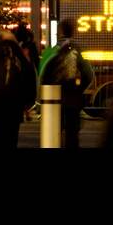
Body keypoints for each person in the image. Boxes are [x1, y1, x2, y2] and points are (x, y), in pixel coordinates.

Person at [38, 19, 95, 149]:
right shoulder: (77, 51)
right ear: (72, 32)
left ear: (59, 32)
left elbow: (43, 75)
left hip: (54, 101)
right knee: (72, 134)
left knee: (53, 134)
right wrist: (79, 89)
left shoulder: (51, 52)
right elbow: (88, 74)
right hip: (73, 99)